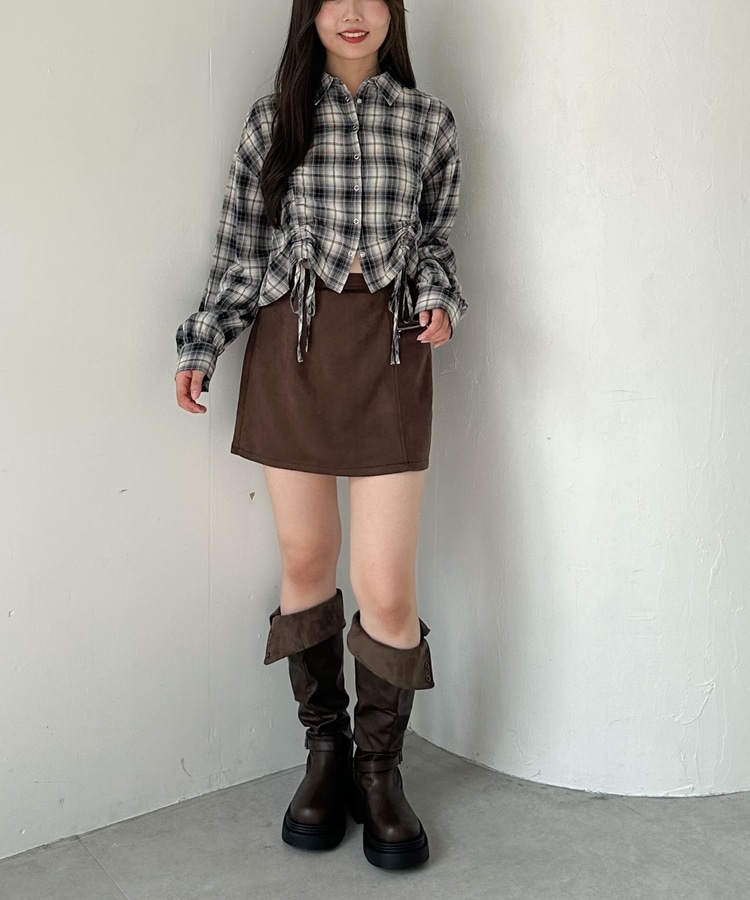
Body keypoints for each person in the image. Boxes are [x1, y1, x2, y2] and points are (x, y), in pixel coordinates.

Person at [174, 0, 466, 871]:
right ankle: (327, 753)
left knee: (386, 584)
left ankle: (380, 772)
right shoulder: (275, 119)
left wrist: (439, 300)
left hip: (389, 356)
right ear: (309, 12)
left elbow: (437, 243)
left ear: (394, 12)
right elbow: (240, 248)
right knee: (306, 560)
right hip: (290, 355)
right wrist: (202, 343)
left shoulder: (428, 122)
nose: (353, 12)